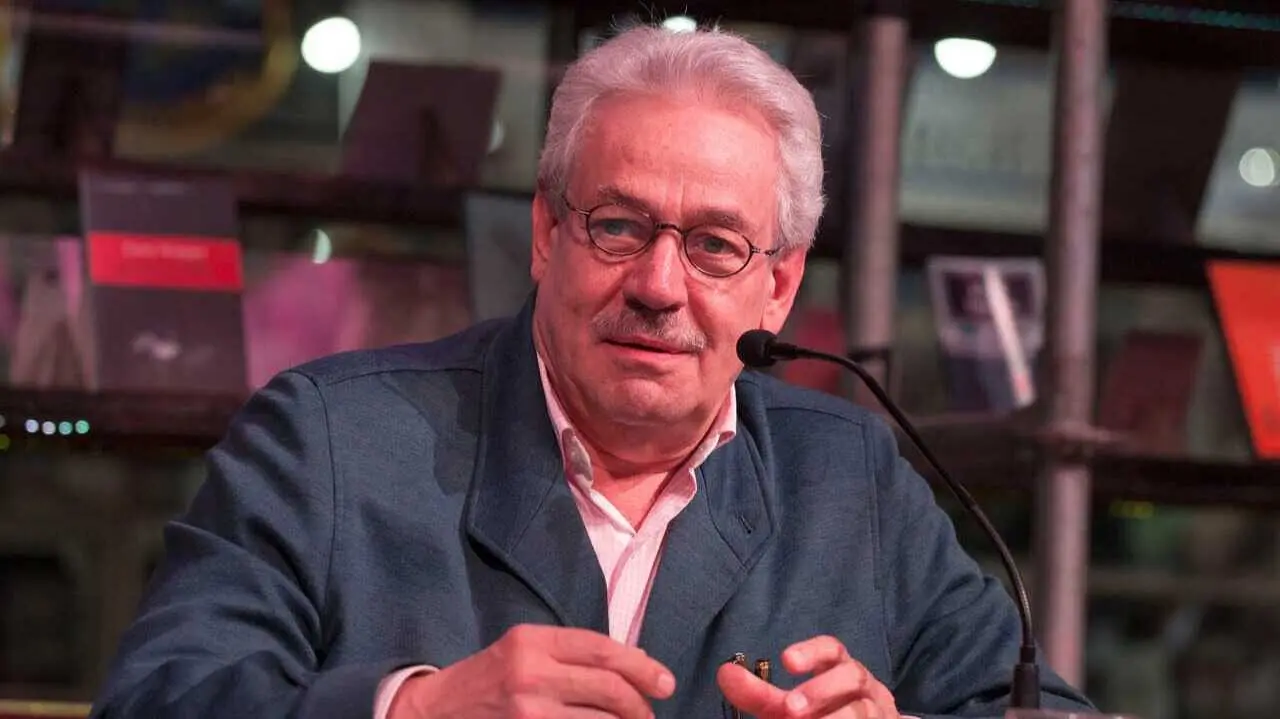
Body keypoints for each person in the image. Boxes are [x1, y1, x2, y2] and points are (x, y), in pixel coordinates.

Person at [90, 24, 1095, 719]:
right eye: (617, 225)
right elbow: (156, 697)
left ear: (778, 285)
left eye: (712, 245)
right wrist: (413, 706)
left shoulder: (849, 477)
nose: (657, 284)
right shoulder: (328, 439)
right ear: (544, 233)